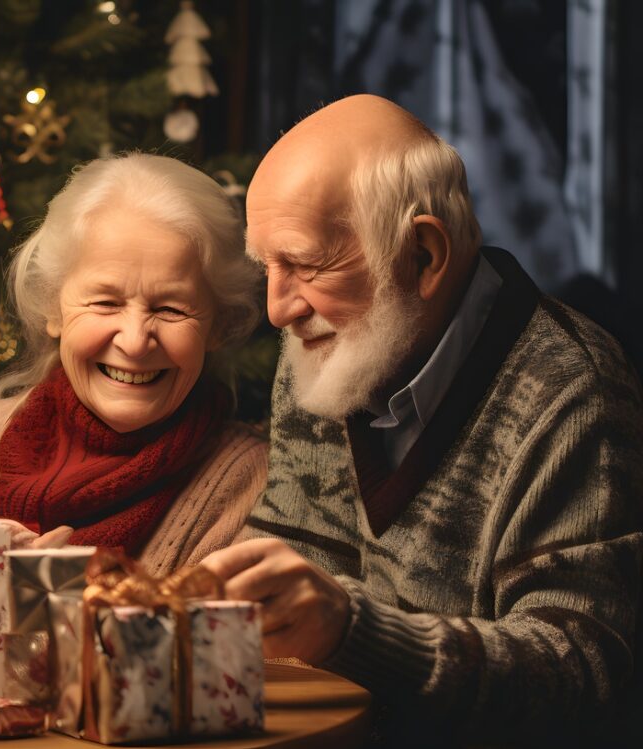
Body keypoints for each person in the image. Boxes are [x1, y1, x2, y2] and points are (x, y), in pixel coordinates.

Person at [202, 95, 643, 744]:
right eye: (269, 267)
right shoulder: (325, 349)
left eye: (304, 263)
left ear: (425, 256)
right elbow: (296, 553)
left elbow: (583, 675)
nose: (277, 310)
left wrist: (354, 631)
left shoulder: (575, 393)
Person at [0, 153, 266, 575]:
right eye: (106, 302)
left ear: (217, 325)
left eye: (171, 308)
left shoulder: (254, 487)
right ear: (54, 307)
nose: (134, 341)